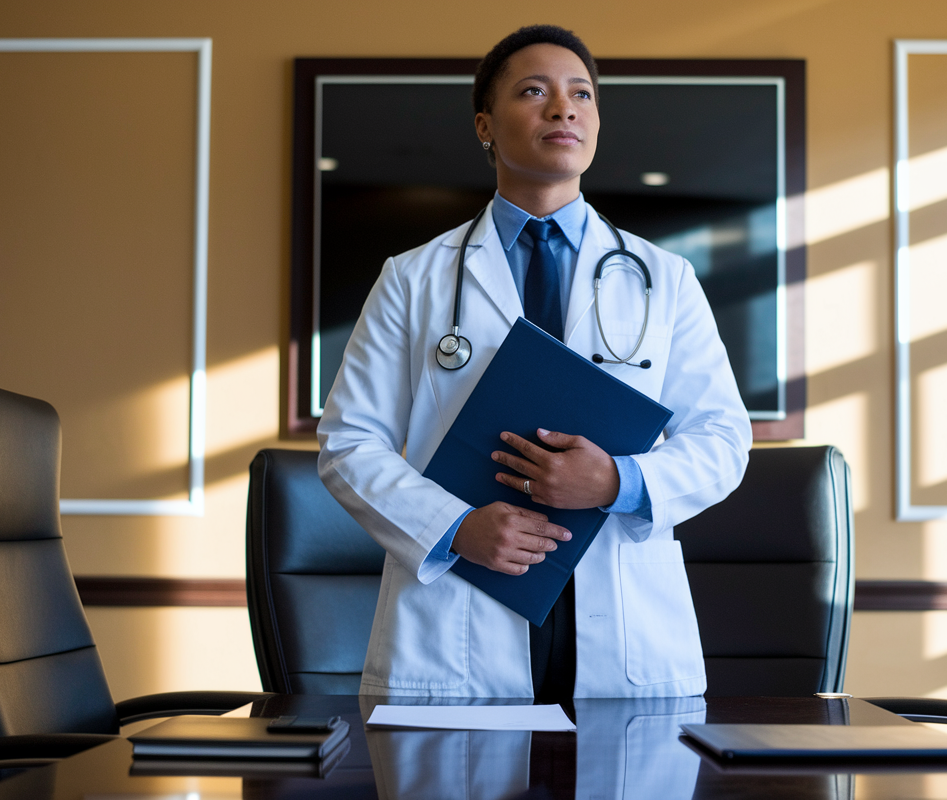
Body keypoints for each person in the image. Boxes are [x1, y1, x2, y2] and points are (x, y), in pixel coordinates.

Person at [317, 24, 751, 700]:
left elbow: (724, 440)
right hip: (461, 610)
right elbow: (348, 443)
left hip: (619, 619)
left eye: (581, 93)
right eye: (534, 91)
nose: (563, 108)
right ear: (485, 125)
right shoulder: (413, 278)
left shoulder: (664, 278)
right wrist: (455, 527)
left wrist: (616, 482)